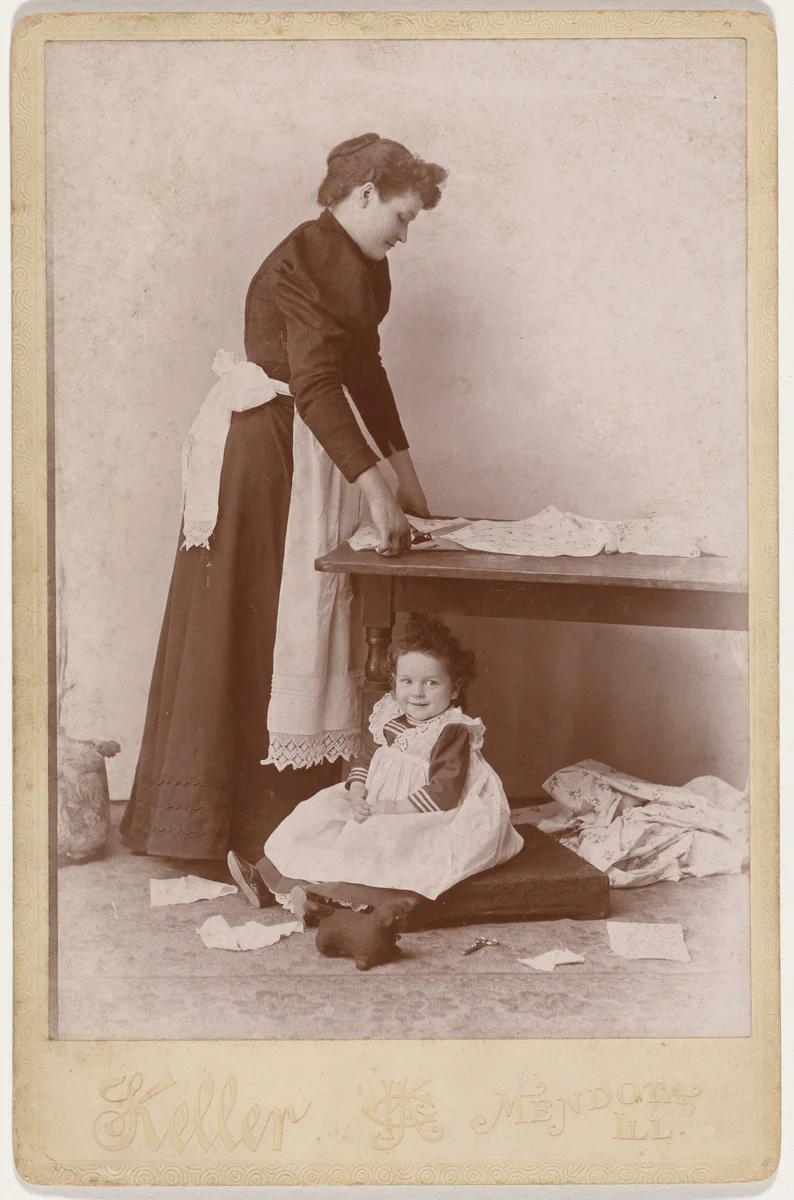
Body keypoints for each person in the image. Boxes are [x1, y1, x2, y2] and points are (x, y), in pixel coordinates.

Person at [120, 134, 447, 862]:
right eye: (401, 215)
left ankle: (280, 819)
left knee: (282, 621)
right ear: (363, 194)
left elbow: (365, 371)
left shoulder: (366, 267)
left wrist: (405, 473)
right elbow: (317, 383)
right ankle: (218, 830)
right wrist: (376, 490)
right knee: (255, 619)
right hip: (262, 453)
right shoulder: (310, 253)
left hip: (302, 448)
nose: (404, 232)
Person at [227, 616, 524, 919]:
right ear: (394, 683)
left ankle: (325, 902)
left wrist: (392, 809)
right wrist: (357, 790)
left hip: (433, 811)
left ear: (454, 688)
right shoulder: (389, 716)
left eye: (431, 683)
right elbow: (367, 757)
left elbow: (444, 792)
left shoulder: (451, 731)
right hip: (378, 801)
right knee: (316, 814)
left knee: (384, 848)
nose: (417, 693)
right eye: (407, 682)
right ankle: (266, 878)